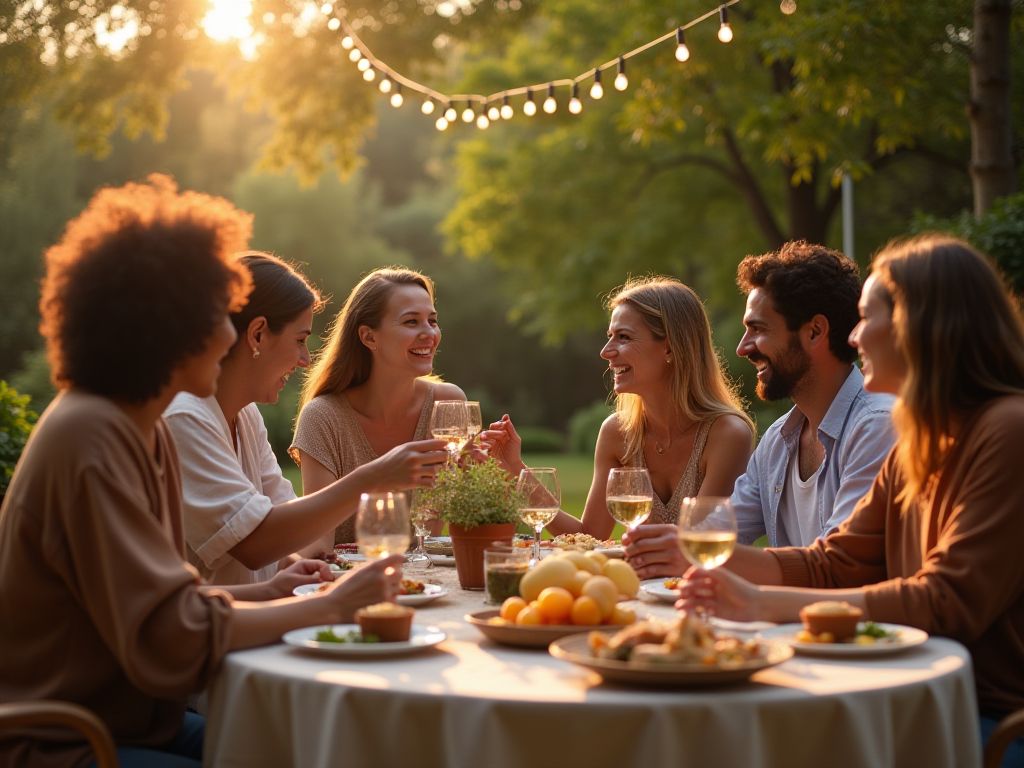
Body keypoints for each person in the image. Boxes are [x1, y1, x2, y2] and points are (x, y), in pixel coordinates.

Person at [0, 175, 403, 768]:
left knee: (311, 749)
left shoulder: (142, 426)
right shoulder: (92, 436)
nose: (228, 336)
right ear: (166, 324)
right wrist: (331, 607)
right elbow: (170, 636)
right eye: (220, 316)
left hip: (137, 721)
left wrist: (267, 592)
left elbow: (162, 602)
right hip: (70, 741)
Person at [678, 235, 1024, 764]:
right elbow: (835, 561)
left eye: (866, 317)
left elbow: (947, 601)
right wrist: (693, 558)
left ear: (922, 324)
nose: (855, 335)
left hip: (978, 719)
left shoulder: (1006, 429)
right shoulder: (925, 437)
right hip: (906, 689)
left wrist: (763, 604)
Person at [165, 253, 448, 586]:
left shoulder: (245, 416)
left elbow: (287, 530)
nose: (304, 359)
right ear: (257, 335)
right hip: (217, 632)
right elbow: (256, 545)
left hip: (251, 621)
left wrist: (298, 567)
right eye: (299, 340)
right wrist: (375, 477)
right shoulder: (185, 417)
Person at [625, 242, 895, 579]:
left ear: (815, 332)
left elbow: (840, 565)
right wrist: (672, 545)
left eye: (759, 329)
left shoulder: (876, 426)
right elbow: (718, 533)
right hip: (786, 628)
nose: (742, 347)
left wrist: (692, 550)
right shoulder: (777, 443)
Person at [485, 276, 754, 539]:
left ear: (671, 348)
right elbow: (589, 536)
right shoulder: (618, 432)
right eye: (610, 336)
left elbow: (697, 545)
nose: (605, 351)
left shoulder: (726, 435)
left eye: (623, 337)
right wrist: (516, 470)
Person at [290, 267, 466, 546]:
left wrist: (478, 478)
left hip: (425, 584)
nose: (429, 333)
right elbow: (318, 542)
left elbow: (445, 533)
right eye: (411, 322)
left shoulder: (447, 404)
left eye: (432, 321)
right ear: (369, 337)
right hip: (347, 583)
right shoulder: (323, 417)